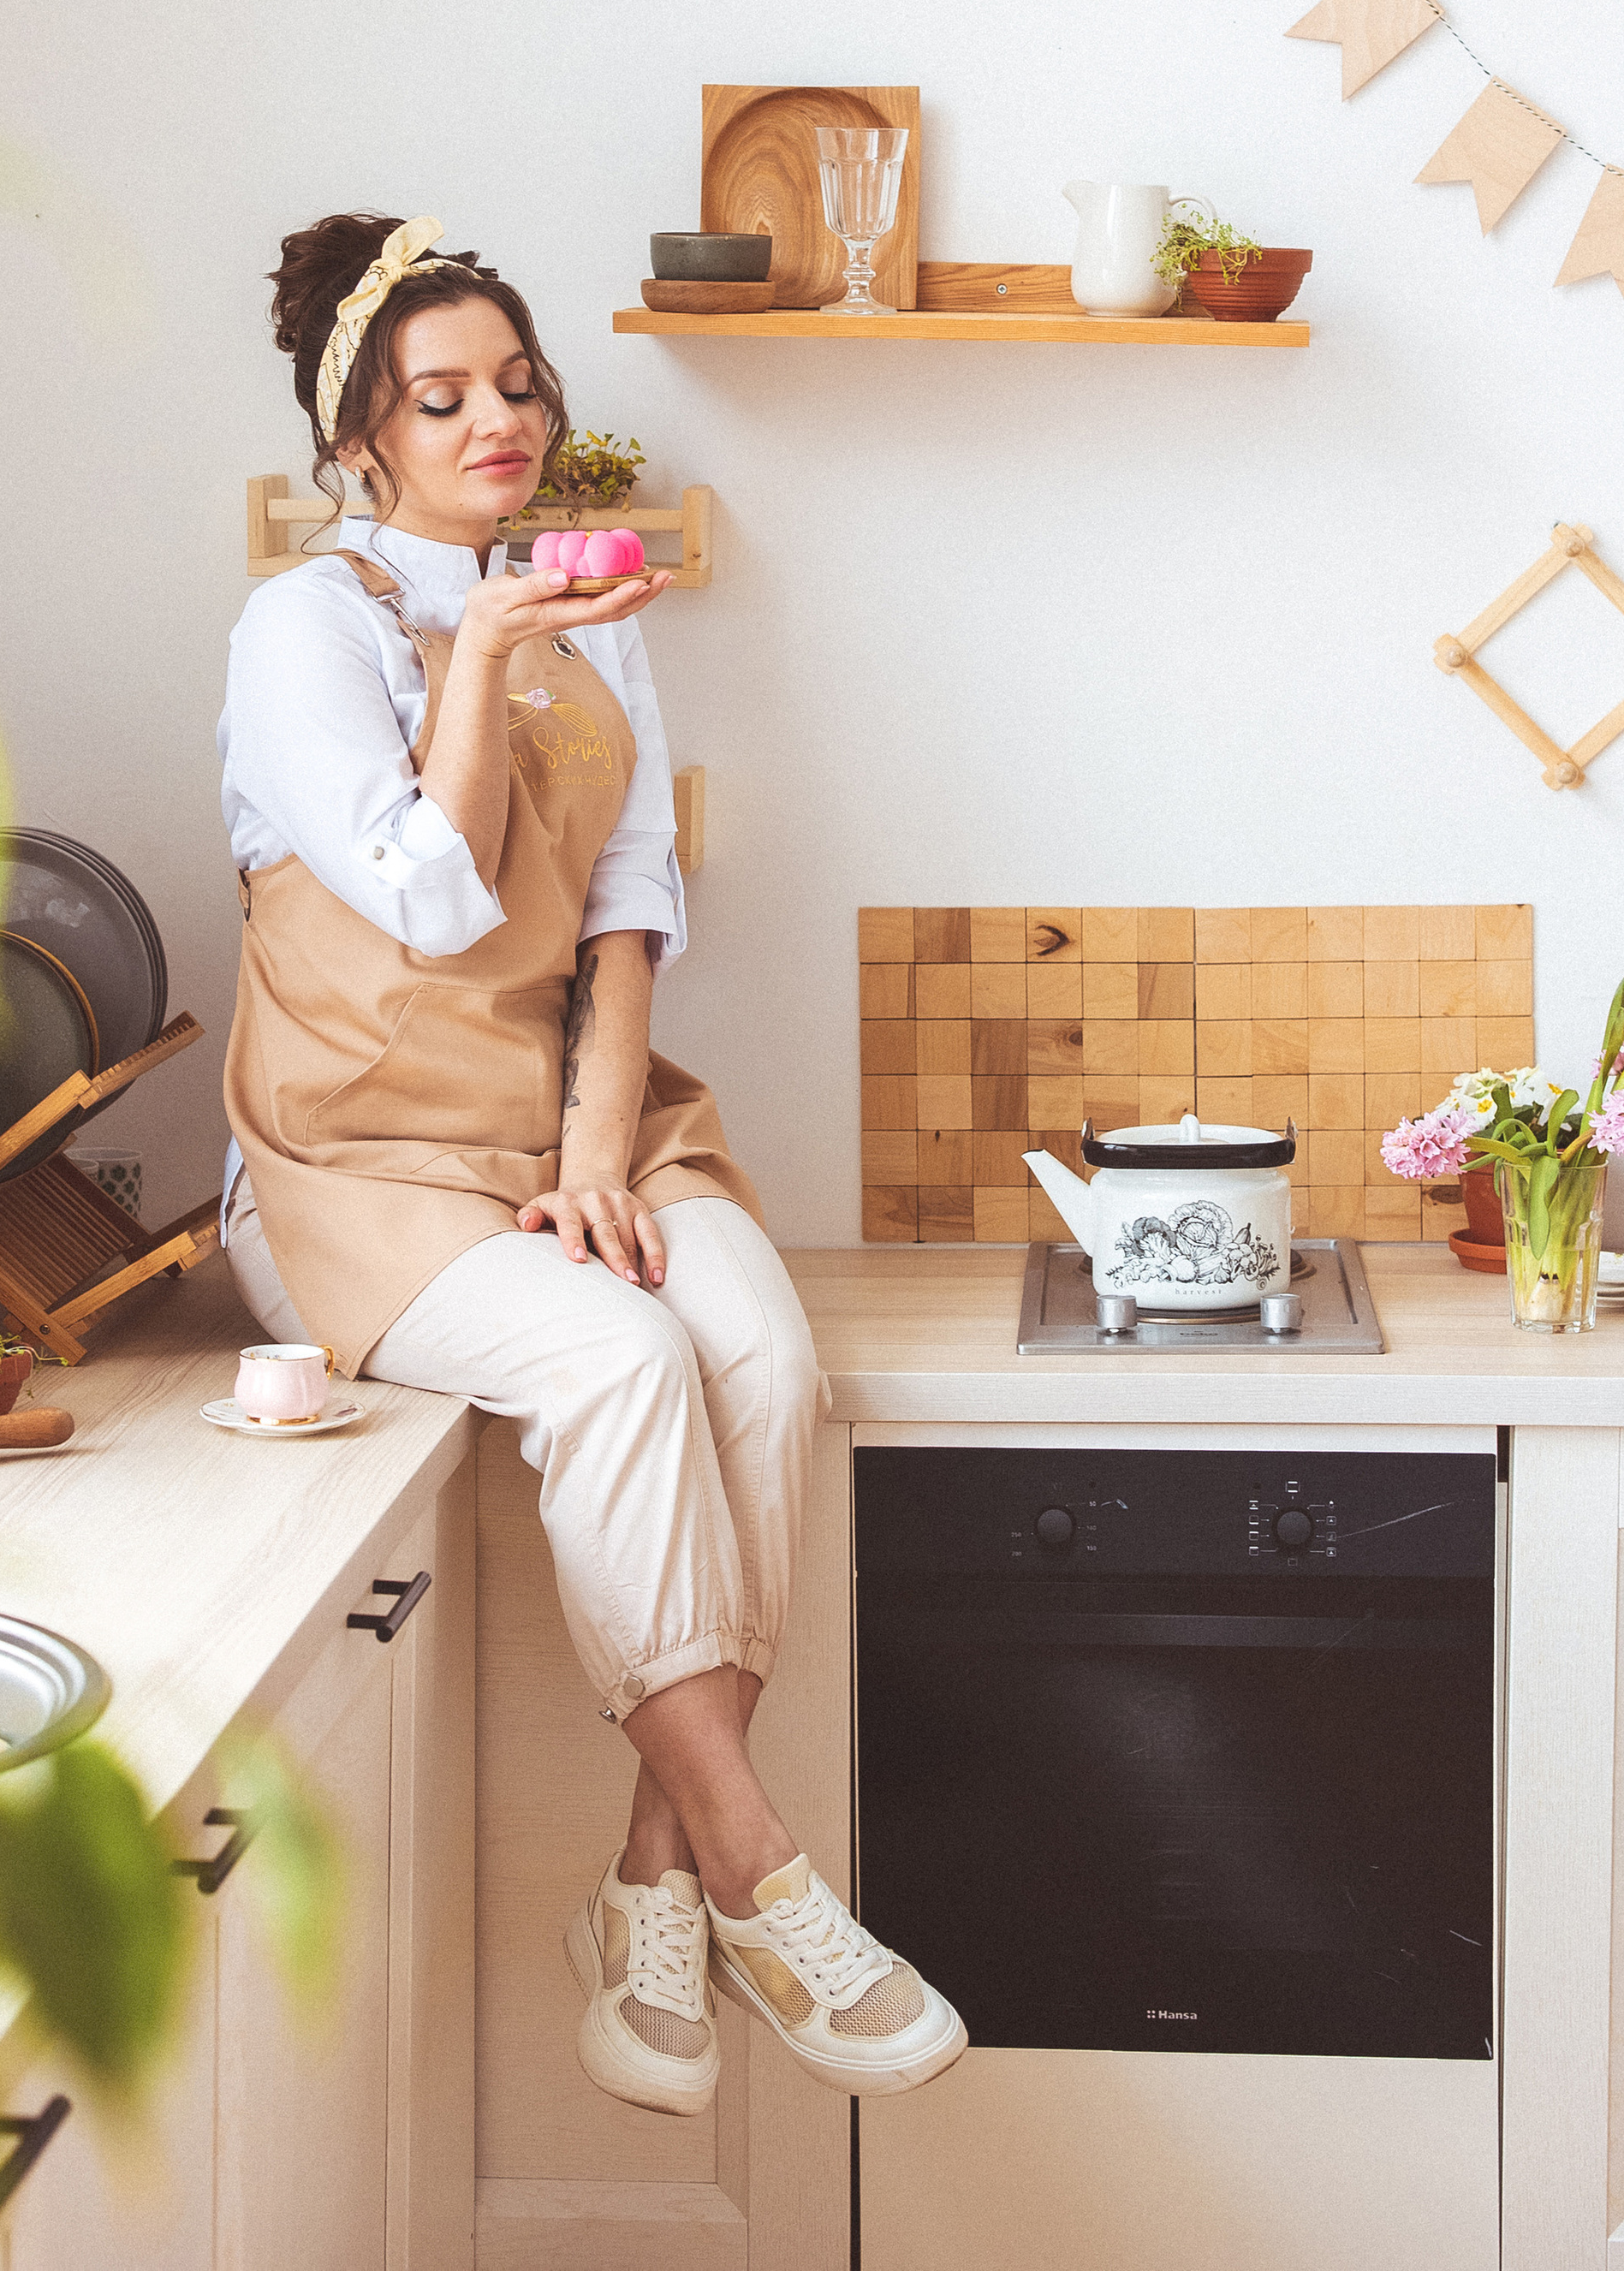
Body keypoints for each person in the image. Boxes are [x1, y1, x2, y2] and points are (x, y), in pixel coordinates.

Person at [217, 211, 966, 2117]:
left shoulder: (591, 609)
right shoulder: (302, 629)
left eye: (518, 386)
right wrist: (477, 645)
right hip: (358, 1156)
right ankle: (759, 1878)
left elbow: (629, 911)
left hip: (571, 1122)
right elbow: (424, 889)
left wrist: (588, 1147)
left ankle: (651, 1881)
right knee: (622, 1360)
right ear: (357, 440)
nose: (498, 423)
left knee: (760, 1360)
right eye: (440, 397)